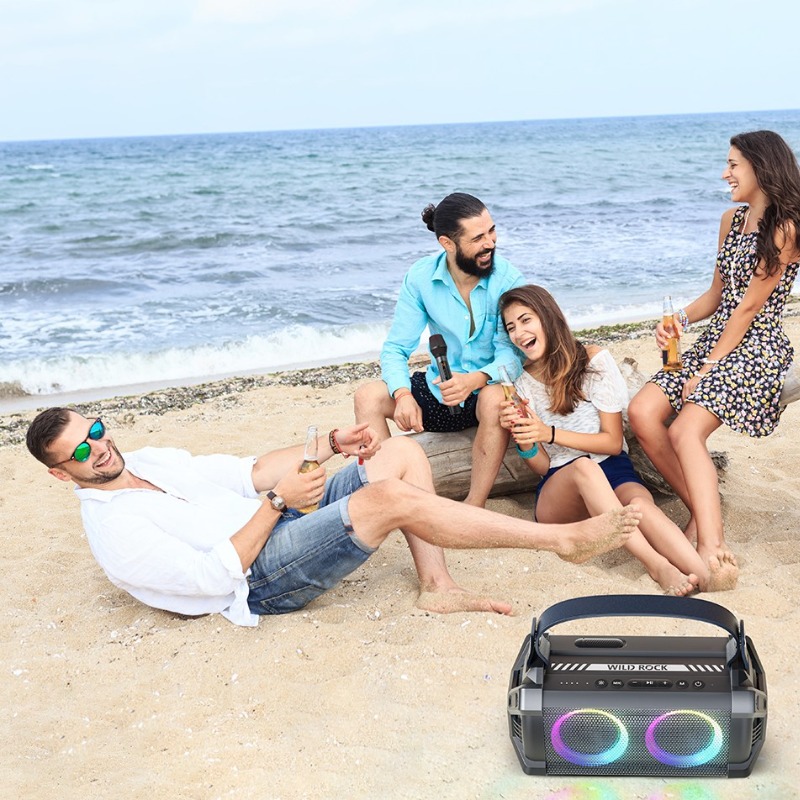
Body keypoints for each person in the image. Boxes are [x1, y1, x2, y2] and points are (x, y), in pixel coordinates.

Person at [26, 408, 642, 626]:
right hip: (256, 579)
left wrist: (328, 446)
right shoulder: (115, 531)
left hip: (276, 518)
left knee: (399, 453)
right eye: (79, 452)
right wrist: (277, 505)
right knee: (385, 499)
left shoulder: (150, 459)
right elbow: (214, 578)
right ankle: (559, 540)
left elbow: (247, 470)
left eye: (95, 431)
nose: (97, 448)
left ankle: (438, 585)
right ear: (60, 474)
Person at [627, 131, 800, 587]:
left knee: (684, 430)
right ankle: (703, 510)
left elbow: (748, 308)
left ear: (761, 167)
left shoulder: (785, 228)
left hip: (756, 345)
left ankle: (711, 543)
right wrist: (678, 320)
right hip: (715, 340)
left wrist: (707, 368)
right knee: (642, 411)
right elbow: (718, 295)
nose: (726, 174)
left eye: (733, 165)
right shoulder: (730, 220)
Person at [498, 284, 716, 595]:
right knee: (583, 468)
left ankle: (706, 577)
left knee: (640, 506)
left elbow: (613, 443)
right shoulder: (520, 384)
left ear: (547, 317)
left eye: (525, 320)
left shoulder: (593, 360)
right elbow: (544, 466)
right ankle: (657, 565)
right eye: (511, 327)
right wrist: (525, 439)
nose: (519, 333)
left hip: (614, 469)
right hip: (563, 487)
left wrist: (551, 433)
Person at [354, 192, 525, 507]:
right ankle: (391, 499)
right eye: (478, 238)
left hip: (487, 392)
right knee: (368, 396)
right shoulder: (420, 277)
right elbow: (395, 348)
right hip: (441, 389)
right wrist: (402, 396)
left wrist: (474, 380)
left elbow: (513, 354)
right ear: (448, 243)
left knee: (492, 397)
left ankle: (474, 505)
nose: (490, 243)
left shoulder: (508, 279)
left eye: (492, 231)